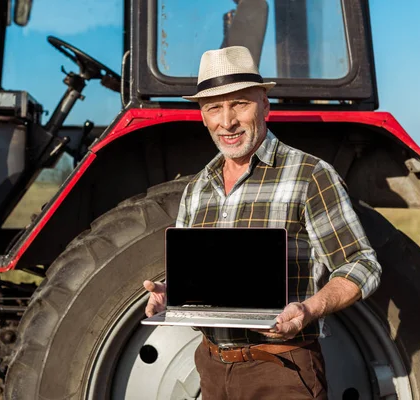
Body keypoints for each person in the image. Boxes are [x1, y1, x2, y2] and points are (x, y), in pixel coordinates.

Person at [143, 46, 382, 399]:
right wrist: (174, 295)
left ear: (265, 105)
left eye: (239, 103)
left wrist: (308, 308)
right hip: (210, 368)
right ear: (203, 116)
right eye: (214, 108)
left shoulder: (309, 175)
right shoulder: (197, 189)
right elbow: (205, 281)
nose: (227, 121)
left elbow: (363, 265)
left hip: (280, 370)